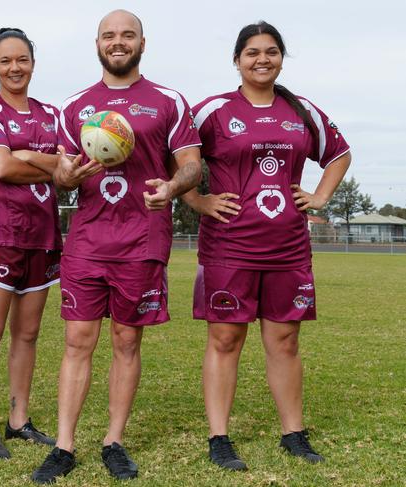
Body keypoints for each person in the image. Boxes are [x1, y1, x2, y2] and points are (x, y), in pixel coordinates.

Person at [31, 9, 202, 483]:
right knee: (77, 341)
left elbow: (192, 164)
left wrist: (171, 187)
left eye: (128, 35)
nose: (118, 42)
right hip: (88, 240)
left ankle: (114, 440)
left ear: (143, 44)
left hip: (142, 240)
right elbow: (61, 174)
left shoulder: (168, 101)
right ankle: (64, 446)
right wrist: (65, 174)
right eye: (110, 35)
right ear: (97, 44)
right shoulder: (75, 106)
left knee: (127, 341)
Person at [183, 21, 351, 471]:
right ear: (237, 60)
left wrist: (319, 197)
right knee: (225, 338)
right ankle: (219, 436)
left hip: (288, 246)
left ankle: (293, 433)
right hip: (229, 245)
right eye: (252, 52)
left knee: (285, 340)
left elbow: (339, 154)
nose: (262, 59)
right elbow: (174, 158)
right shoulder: (213, 111)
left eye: (271, 52)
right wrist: (197, 199)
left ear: (281, 57)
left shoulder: (301, 110)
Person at [0, 28, 62, 459]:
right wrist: (45, 164)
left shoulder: (53, 114)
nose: (14, 68)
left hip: (42, 231)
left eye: (22, 59)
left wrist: (27, 157)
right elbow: (1, 167)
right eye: (5, 61)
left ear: (33, 63)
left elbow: (73, 166)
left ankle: (18, 420)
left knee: (28, 333)